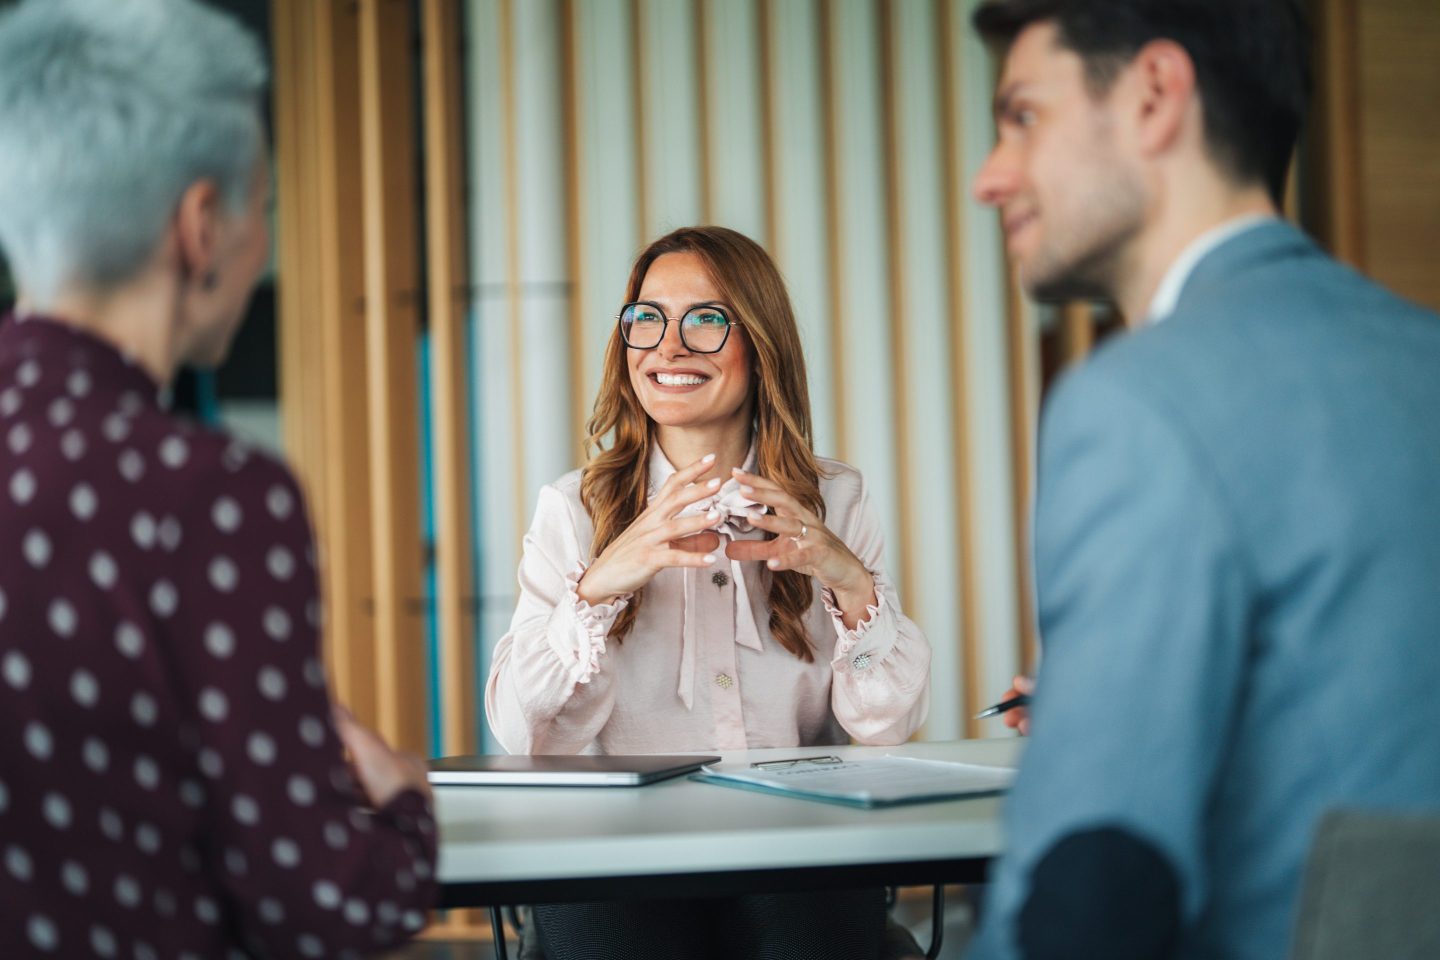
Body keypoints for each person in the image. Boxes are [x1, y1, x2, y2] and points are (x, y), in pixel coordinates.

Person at [962, 1, 1440, 958]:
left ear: (1153, 95)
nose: (990, 177)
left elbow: (1088, 895)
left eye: (1022, 116)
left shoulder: (1136, 402)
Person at [0, 1, 437, 956]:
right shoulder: (209, 494)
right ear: (202, 225)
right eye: (263, 211)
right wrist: (405, 803)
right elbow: (325, 905)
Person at [485, 225, 931, 958]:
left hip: (800, 840)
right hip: (614, 847)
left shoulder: (838, 499)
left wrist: (847, 576)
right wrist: (601, 584)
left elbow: (886, 727)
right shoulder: (573, 508)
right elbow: (527, 735)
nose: (668, 347)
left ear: (759, 346)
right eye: (647, 319)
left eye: (706, 319)